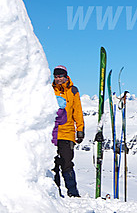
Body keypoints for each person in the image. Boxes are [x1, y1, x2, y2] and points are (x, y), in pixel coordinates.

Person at [52, 65, 84, 197]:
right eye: (56, 76)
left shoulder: (73, 91)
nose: (58, 79)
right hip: (52, 133)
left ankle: (73, 192)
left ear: (66, 76)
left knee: (66, 163)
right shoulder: (49, 90)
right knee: (53, 164)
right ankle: (55, 192)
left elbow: (77, 111)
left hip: (67, 132)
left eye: (60, 76)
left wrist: (80, 129)